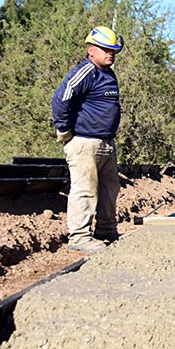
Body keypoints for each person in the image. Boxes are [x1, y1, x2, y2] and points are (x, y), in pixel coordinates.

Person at [51, 26, 124, 253]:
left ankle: (106, 230)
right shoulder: (86, 71)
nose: (110, 53)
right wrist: (63, 129)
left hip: (106, 143)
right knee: (85, 189)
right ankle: (80, 237)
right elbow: (60, 98)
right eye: (105, 49)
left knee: (109, 188)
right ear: (91, 50)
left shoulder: (108, 74)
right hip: (84, 142)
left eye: (113, 50)